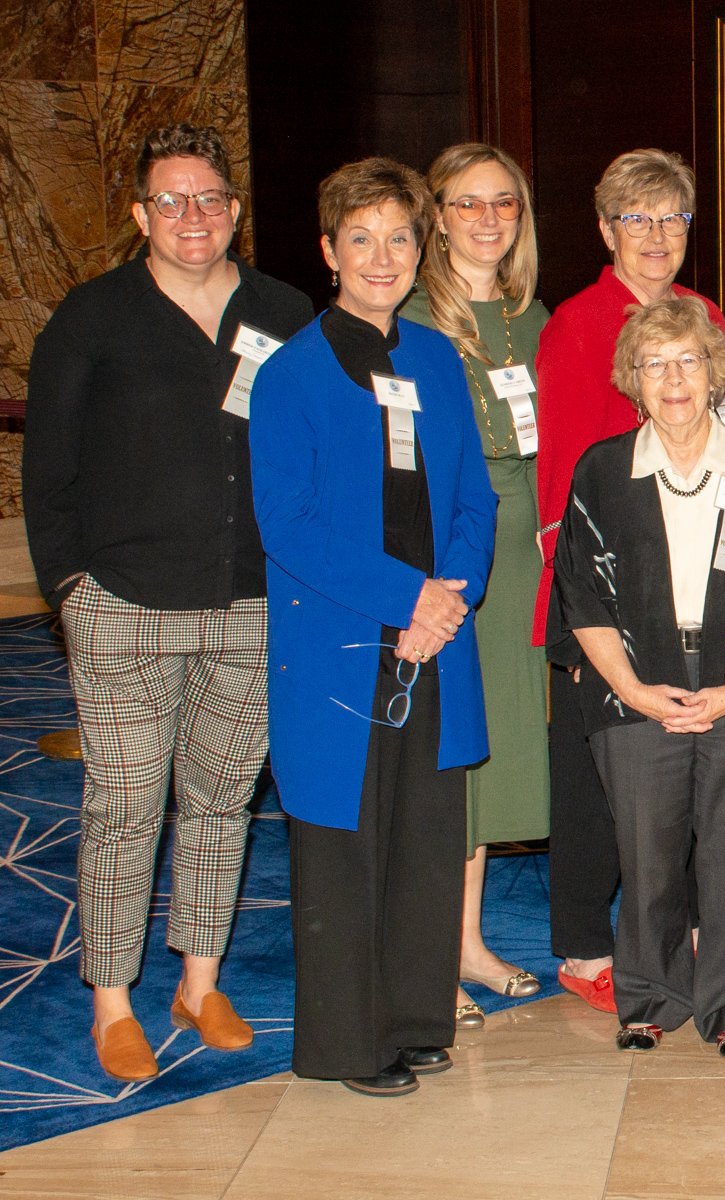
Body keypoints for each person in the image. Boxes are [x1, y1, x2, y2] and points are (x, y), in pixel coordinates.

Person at [24, 122, 312, 1082]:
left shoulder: (282, 307)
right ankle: (113, 997)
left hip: (254, 601)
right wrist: (71, 593)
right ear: (143, 214)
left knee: (223, 801)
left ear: (234, 211)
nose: (195, 217)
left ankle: (199, 979)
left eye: (211, 200)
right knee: (124, 805)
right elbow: (47, 472)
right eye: (173, 201)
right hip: (124, 602)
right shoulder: (93, 315)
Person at [250, 157, 498, 1096]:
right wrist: (410, 599)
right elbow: (289, 524)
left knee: (425, 836)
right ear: (328, 252)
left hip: (437, 636)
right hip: (341, 646)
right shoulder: (292, 375)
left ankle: (413, 1016)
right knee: (347, 846)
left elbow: (475, 496)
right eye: (362, 239)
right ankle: (349, 1045)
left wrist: (454, 593)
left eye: (399, 236)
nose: (383, 256)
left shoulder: (436, 357)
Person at [549, 296, 725, 1058]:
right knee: (648, 854)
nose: (672, 379)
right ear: (633, 378)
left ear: (715, 373)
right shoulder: (604, 470)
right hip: (633, 683)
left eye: (688, 361)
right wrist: (631, 690)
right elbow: (581, 593)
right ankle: (650, 995)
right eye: (654, 363)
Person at [534, 149, 725, 1013]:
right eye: (637, 219)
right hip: (609, 593)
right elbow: (561, 484)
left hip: (698, 583)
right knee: (595, 778)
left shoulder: (705, 316)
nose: (657, 237)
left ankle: (682, 926)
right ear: (605, 229)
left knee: (687, 767)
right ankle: (584, 946)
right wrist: (584, 617)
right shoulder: (579, 324)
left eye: (672, 219)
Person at [401, 143, 551, 1029]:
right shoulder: (414, 317)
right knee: (450, 750)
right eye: (467, 204)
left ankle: (467, 941)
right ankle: (432, 952)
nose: (488, 220)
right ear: (437, 217)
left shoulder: (536, 318)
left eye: (505, 203)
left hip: (532, 547)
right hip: (457, 549)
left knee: (490, 756)